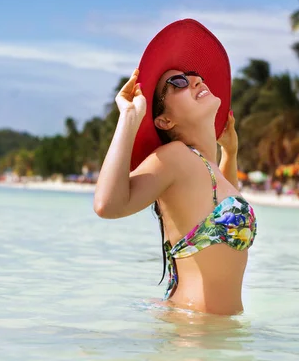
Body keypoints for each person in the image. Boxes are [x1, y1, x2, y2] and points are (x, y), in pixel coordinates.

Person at [93, 19, 258, 315]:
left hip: (213, 335)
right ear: (165, 121)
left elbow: (217, 205)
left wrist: (230, 154)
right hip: (191, 333)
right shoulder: (175, 156)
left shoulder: (206, 168)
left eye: (194, 76)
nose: (195, 80)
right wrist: (129, 117)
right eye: (178, 83)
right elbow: (107, 206)